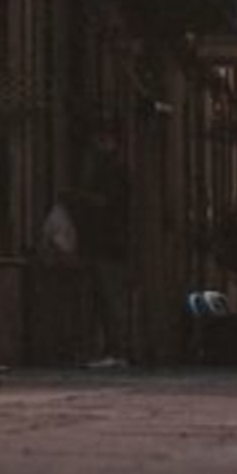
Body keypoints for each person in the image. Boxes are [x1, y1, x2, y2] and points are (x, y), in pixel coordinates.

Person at [72, 128, 133, 367]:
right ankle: (107, 349)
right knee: (100, 298)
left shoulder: (113, 172)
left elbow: (107, 203)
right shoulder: (107, 170)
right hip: (100, 243)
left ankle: (116, 351)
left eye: (103, 139)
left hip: (109, 244)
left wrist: (78, 197)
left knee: (110, 299)